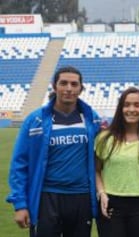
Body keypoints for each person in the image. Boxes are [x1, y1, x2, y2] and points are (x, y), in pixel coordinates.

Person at [6, 66, 101, 237]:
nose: (69, 89)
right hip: (47, 197)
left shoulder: (91, 118)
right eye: (63, 83)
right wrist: (20, 204)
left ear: (81, 88)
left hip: (81, 197)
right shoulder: (35, 120)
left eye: (74, 84)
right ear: (54, 86)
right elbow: (19, 163)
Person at [95, 87, 139, 237]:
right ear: (120, 108)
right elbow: (96, 169)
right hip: (111, 205)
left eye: (137, 105)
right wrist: (102, 193)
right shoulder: (104, 139)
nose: (131, 109)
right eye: (127, 105)